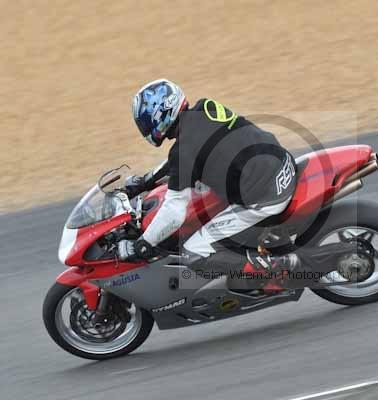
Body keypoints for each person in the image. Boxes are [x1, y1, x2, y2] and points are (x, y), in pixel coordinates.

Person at [117, 79, 298, 287]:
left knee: (194, 253)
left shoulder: (183, 150)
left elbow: (174, 213)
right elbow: (186, 156)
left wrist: (144, 243)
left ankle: (274, 268)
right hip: (281, 166)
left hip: (265, 196)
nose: (145, 127)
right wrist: (146, 181)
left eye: (146, 122)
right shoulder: (205, 108)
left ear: (160, 115)